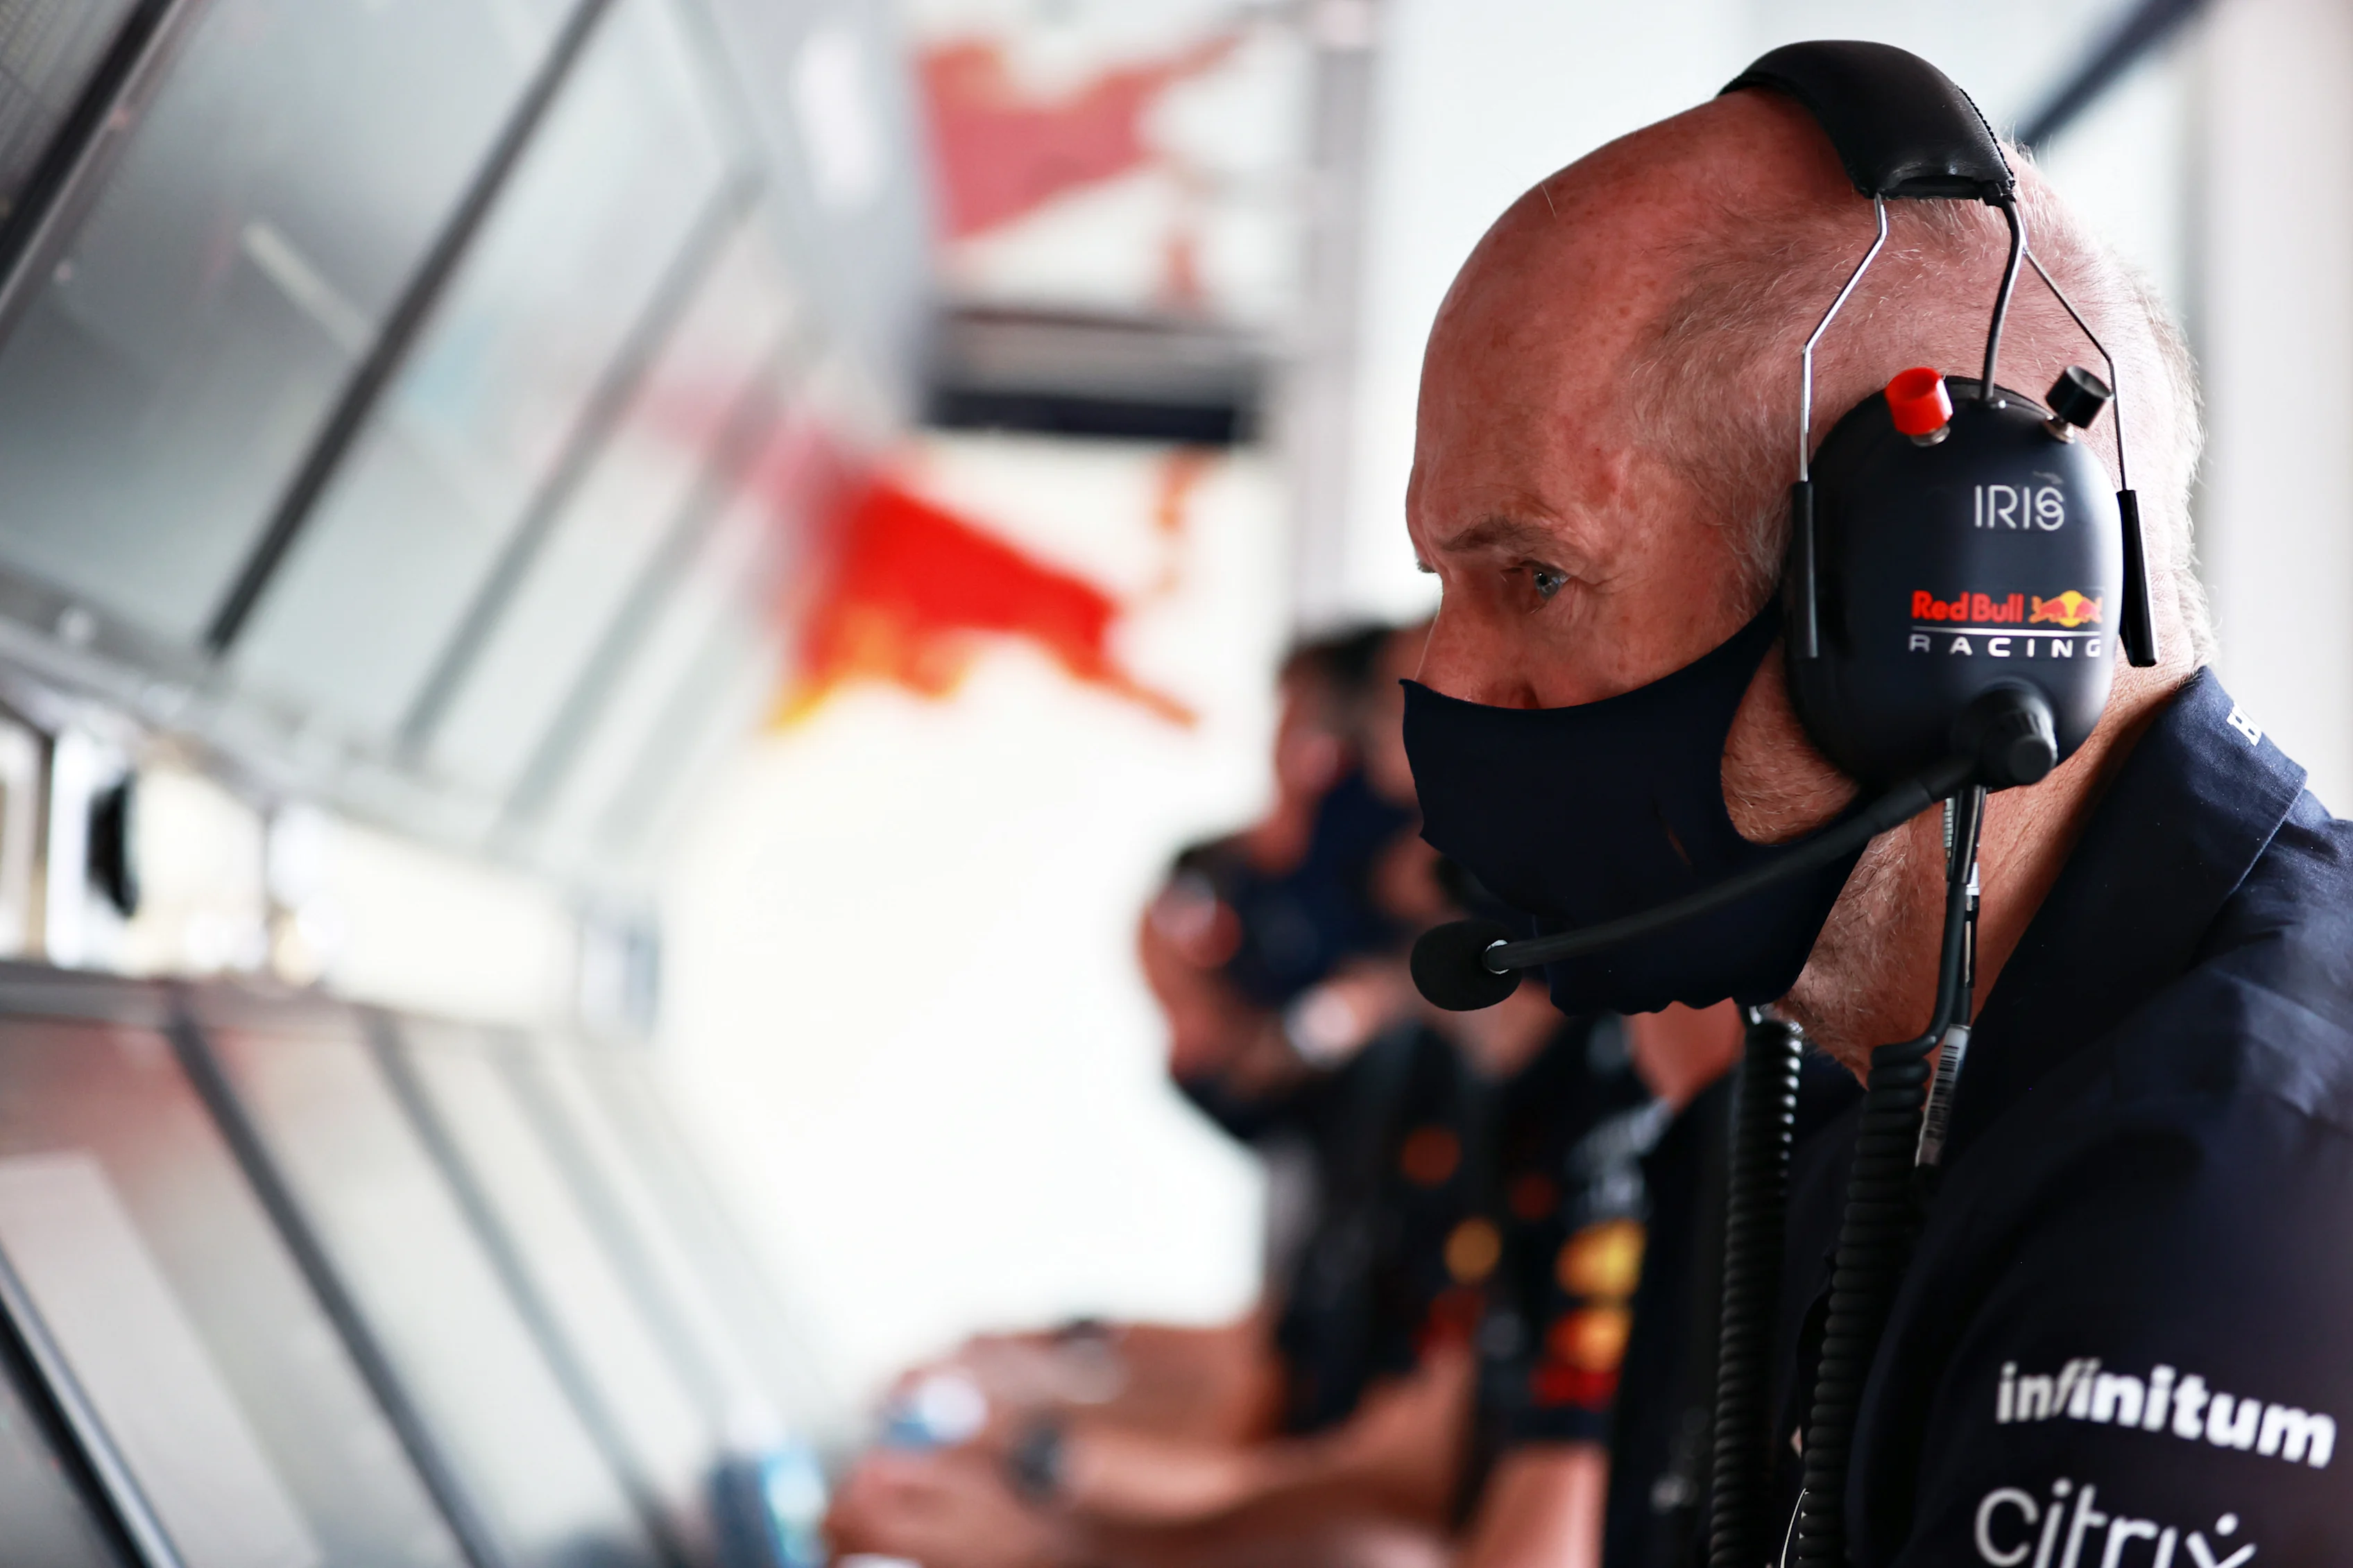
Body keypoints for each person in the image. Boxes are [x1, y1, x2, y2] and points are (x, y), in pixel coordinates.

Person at [1396, 46, 2353, 1564]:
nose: (1453, 688)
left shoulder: (2228, 1203)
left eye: (1535, 577)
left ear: (1945, 596)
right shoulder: (1882, 1092)